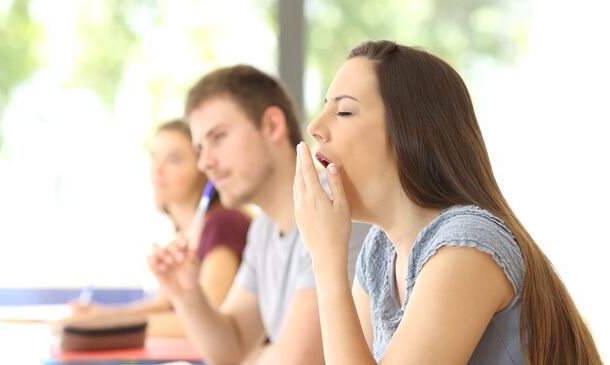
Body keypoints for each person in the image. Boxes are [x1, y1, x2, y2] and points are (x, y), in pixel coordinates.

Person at [293, 40, 602, 365]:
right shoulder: (378, 253)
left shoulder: (468, 247)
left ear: (408, 132)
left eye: (344, 111)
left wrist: (326, 262)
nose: (314, 127)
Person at [148, 65, 366, 364]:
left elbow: (296, 361)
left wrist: (255, 356)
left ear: (273, 125)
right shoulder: (263, 228)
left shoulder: (333, 208)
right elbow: (229, 349)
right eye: (200, 147)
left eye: (218, 137)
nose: (205, 163)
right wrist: (187, 294)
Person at [65, 119, 250, 337]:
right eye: (154, 156)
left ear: (203, 167)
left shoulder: (223, 223)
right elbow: (163, 304)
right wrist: (101, 315)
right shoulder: (185, 232)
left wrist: (102, 326)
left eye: (173, 159)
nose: (157, 169)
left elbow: (207, 323)